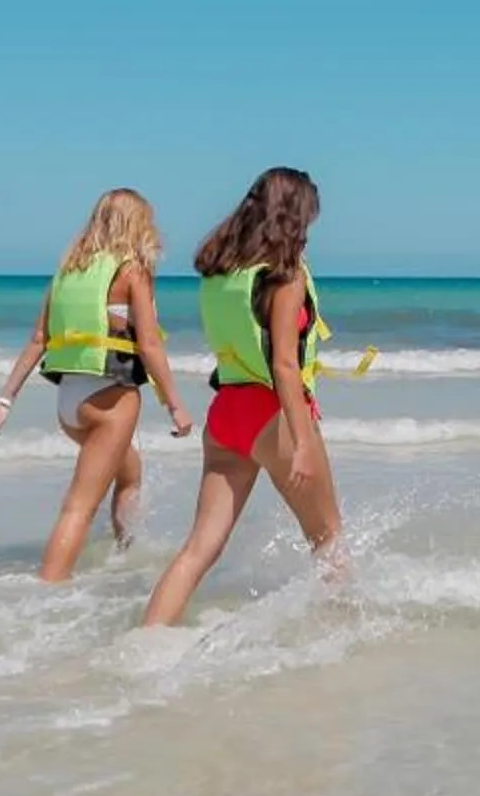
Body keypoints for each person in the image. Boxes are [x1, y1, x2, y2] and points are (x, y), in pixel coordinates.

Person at [140, 167, 344, 627]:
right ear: (294, 217)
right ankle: (345, 639)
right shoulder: (283, 277)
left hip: (227, 414)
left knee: (198, 548)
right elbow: (285, 366)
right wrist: (304, 441)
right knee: (328, 540)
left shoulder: (221, 274)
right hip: (273, 416)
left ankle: (144, 643)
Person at [0, 187, 194, 581]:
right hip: (110, 401)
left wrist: (4, 401)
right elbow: (148, 343)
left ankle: (124, 554)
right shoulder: (132, 271)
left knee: (130, 470)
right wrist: (173, 403)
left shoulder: (68, 271)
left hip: (70, 406)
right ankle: (49, 588)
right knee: (79, 507)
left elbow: (38, 341)